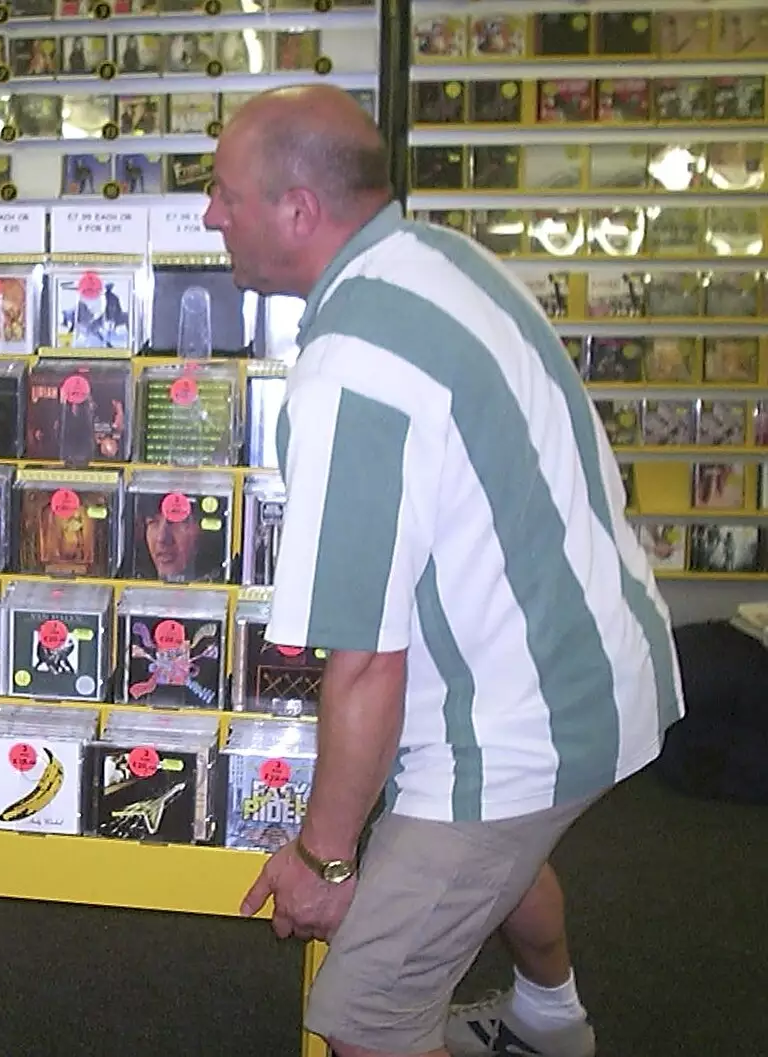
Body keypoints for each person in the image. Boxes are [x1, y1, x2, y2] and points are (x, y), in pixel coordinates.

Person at [206, 86, 684, 1057]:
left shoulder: (349, 368)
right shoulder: (438, 256)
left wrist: (324, 861)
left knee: (367, 1013)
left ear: (297, 210)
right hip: (601, 663)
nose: (210, 215)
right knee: (492, 862)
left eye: (224, 194)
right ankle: (549, 1025)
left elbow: (365, 663)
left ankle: (539, 1021)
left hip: (516, 722)